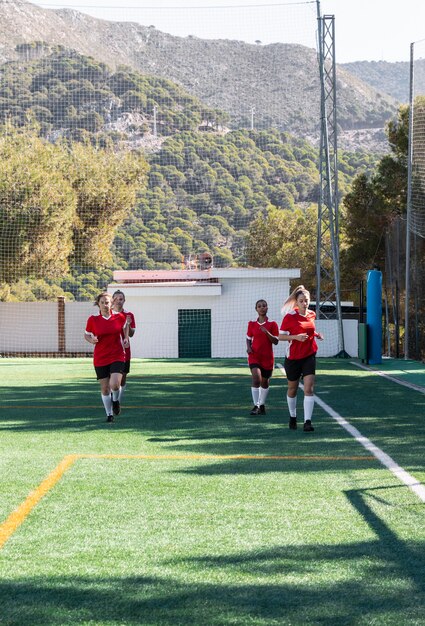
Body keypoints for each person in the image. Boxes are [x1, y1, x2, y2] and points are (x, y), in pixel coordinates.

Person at [279, 285, 324, 432]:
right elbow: (280, 336)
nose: (305, 303)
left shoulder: (312, 314)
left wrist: (316, 335)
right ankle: (293, 416)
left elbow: (309, 329)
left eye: (307, 300)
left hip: (309, 355)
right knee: (292, 389)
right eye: (301, 301)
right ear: (296, 302)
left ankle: (307, 422)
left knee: (309, 388)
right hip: (293, 357)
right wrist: (295, 337)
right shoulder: (289, 317)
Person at [85, 292, 130, 423]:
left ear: (112, 303)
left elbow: (125, 326)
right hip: (100, 357)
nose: (105, 305)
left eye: (107, 302)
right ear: (98, 304)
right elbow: (86, 334)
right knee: (105, 388)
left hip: (117, 355)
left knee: (115, 385)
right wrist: (91, 340)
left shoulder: (119, 317)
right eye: (102, 302)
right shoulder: (93, 320)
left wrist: (126, 338)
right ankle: (109, 414)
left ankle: (115, 401)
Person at [246, 299, 279, 416]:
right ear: (256, 309)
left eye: (264, 306)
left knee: (265, 383)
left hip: (268, 358)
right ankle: (256, 406)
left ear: (267, 308)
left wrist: (267, 332)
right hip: (254, 356)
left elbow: (275, 341)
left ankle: (262, 405)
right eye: (259, 306)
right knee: (256, 379)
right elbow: (248, 338)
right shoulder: (251, 324)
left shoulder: (273, 324)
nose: (262, 308)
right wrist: (249, 348)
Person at [112, 289, 136, 406]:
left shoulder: (129, 314)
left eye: (121, 299)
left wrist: (129, 324)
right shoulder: (107, 314)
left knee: (123, 377)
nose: (118, 301)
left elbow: (131, 334)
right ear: (112, 300)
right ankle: (112, 398)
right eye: (116, 299)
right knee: (110, 378)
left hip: (124, 351)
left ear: (124, 300)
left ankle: (118, 401)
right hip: (110, 351)